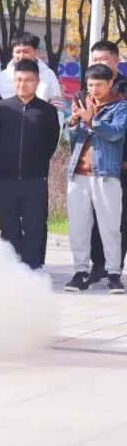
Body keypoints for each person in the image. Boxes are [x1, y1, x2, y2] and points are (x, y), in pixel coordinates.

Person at [0, 59, 61, 270]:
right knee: (8, 226)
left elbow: (51, 143)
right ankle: (12, 268)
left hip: (35, 178)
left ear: (37, 81)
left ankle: (33, 268)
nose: (23, 84)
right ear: (13, 81)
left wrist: (36, 163)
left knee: (34, 225)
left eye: (28, 80)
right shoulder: (1, 108)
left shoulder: (46, 111)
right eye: (19, 80)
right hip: (6, 178)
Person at [63, 64, 127, 293]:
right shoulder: (83, 103)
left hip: (106, 175)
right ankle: (80, 271)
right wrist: (72, 122)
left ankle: (113, 274)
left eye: (99, 84)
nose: (94, 89)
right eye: (90, 85)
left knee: (110, 227)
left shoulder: (121, 107)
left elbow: (116, 133)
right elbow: (68, 136)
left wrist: (92, 120)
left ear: (111, 83)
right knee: (78, 226)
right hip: (78, 174)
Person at [87, 41, 127, 284]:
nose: (98, 64)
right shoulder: (88, 89)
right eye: (95, 60)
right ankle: (97, 265)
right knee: (93, 218)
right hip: (95, 168)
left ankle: (115, 268)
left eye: (103, 60)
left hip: (122, 166)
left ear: (116, 60)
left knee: (119, 219)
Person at [0, 32, 64, 116]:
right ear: (13, 53)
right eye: (18, 52)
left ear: (36, 51)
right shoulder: (3, 76)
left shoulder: (48, 75)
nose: (21, 56)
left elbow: (57, 109)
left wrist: (56, 128)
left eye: (26, 51)